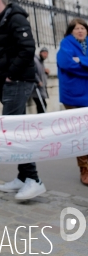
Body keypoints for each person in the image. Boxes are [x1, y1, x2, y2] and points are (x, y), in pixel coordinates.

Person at [0, 0, 46, 200]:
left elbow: (27, 48)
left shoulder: (15, 17)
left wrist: (11, 75)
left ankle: (34, 179)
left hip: (17, 81)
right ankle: (23, 176)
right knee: (16, 128)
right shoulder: (2, 21)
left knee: (14, 131)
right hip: (9, 82)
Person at [57, 18, 88, 186]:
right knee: (81, 134)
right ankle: (84, 168)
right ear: (71, 31)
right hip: (73, 95)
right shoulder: (65, 44)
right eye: (77, 28)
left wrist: (80, 61)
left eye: (83, 28)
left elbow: (75, 64)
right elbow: (66, 63)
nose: (80, 31)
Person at [32, 47, 49, 113]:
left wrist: (46, 73)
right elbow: (33, 72)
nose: (45, 55)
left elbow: (41, 75)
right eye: (44, 53)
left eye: (47, 54)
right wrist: (38, 81)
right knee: (42, 105)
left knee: (43, 105)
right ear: (40, 53)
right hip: (36, 88)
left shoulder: (41, 63)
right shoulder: (35, 61)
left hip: (41, 89)